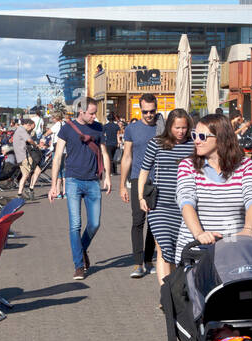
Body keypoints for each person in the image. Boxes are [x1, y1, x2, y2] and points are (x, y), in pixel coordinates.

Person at [175, 113, 252, 260]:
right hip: (197, 249)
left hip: (233, 249)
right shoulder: (187, 166)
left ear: (220, 139)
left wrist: (248, 229)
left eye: (202, 137)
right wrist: (199, 233)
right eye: (194, 135)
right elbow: (186, 201)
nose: (196, 141)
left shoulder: (245, 165)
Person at [48, 98, 111, 280]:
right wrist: (54, 186)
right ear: (81, 112)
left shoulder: (98, 128)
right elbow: (58, 157)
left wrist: (107, 176)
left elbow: (104, 152)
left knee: (94, 224)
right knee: (75, 225)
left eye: (95, 112)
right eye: (91, 113)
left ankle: (81, 250)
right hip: (73, 180)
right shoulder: (67, 128)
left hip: (93, 181)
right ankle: (79, 265)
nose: (94, 116)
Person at [137, 109, 194, 284]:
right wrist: (141, 197)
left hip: (184, 207)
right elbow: (144, 170)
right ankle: (165, 292)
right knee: (163, 249)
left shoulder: (193, 145)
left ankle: (175, 288)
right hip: (160, 205)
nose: (181, 131)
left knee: (178, 251)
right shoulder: (156, 143)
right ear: (169, 126)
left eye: (184, 127)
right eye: (177, 127)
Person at [120, 94, 161, 277]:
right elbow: (127, 156)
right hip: (138, 179)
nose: (149, 115)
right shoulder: (132, 129)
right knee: (138, 220)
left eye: (152, 111)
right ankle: (138, 263)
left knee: (155, 222)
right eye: (145, 112)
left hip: (159, 179)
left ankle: (148, 260)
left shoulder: (163, 127)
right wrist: (122, 184)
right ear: (140, 109)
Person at [12, 117, 37, 199]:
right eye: (30, 127)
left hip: (19, 155)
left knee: (25, 174)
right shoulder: (22, 130)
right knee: (27, 174)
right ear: (27, 125)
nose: (30, 129)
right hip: (23, 155)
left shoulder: (18, 129)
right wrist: (35, 145)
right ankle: (21, 193)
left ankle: (20, 193)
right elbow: (29, 140)